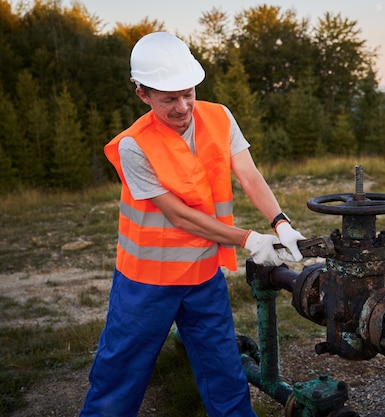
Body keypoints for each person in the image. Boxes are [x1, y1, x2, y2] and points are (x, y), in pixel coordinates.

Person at [79, 32, 305, 417]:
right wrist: (249, 239)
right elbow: (179, 215)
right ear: (143, 95)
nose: (183, 107)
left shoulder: (218, 116)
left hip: (202, 275)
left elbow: (249, 175)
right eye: (169, 99)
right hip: (147, 283)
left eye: (188, 93)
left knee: (225, 372)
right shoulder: (134, 145)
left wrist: (280, 221)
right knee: (119, 377)